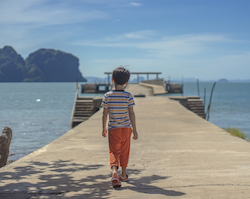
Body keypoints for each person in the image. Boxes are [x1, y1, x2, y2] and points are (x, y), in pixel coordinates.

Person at [101, 66, 138, 188]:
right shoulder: (128, 96)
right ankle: (123, 174)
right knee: (124, 151)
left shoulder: (107, 96)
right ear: (127, 82)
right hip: (126, 129)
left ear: (112, 80)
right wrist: (135, 130)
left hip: (113, 129)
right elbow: (131, 113)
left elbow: (104, 113)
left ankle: (114, 173)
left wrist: (103, 128)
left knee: (114, 151)